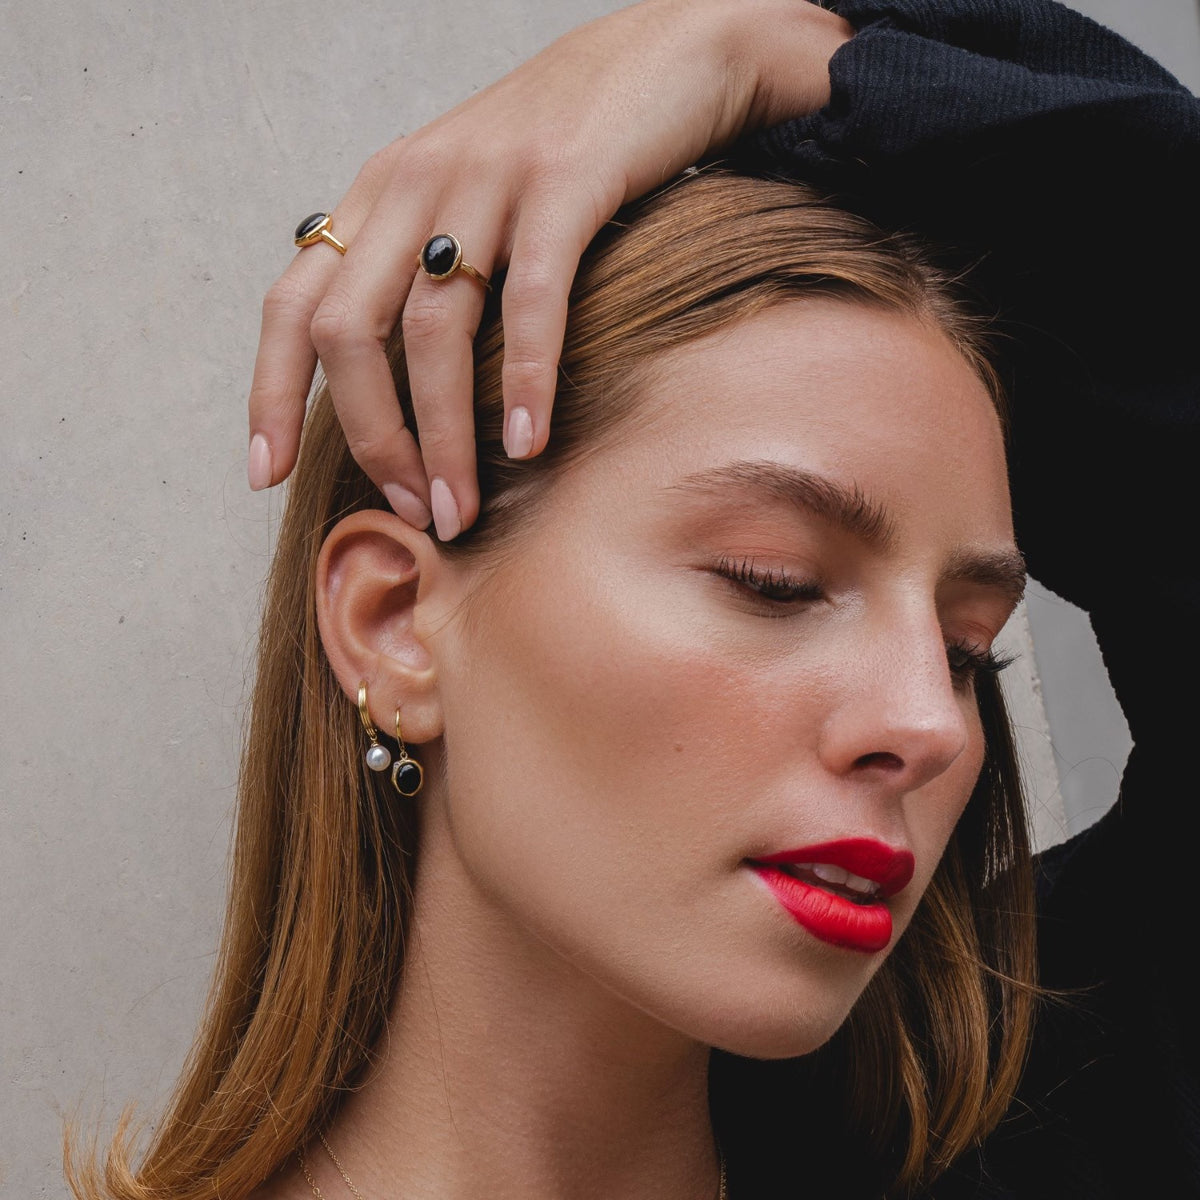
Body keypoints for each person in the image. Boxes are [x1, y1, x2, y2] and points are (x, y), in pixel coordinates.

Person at [76, 0, 1200, 1197]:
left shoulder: (1066, 1135)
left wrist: (777, 58)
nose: (929, 724)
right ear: (393, 628)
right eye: (775, 583)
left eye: (968, 649)